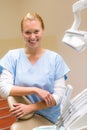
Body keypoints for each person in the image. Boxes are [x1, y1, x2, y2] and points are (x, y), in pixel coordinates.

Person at [0, 12, 70, 124]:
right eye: (27, 32)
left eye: (36, 31)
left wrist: (31, 107)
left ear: (43, 31)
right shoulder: (12, 57)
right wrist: (35, 90)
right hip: (26, 119)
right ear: (22, 33)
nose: (32, 37)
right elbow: (3, 90)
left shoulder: (55, 59)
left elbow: (58, 97)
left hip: (53, 120)